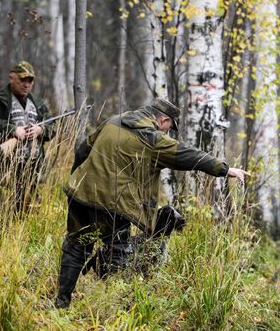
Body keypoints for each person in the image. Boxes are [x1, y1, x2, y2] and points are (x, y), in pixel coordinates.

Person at [55, 98, 249, 308]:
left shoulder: (113, 121)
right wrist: (224, 169)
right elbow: (188, 155)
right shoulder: (152, 139)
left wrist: (77, 180)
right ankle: (111, 311)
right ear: (163, 119)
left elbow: (83, 151)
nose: (167, 133)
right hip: (114, 205)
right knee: (118, 254)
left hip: (80, 194)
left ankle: (62, 303)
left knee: (75, 246)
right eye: (169, 128)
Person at [0, 61, 55, 214]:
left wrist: (40, 130)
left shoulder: (39, 104)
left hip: (32, 168)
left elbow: (53, 128)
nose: (26, 84)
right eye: (22, 80)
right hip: (3, 169)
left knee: (29, 212)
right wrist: (13, 130)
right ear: (11, 78)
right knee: (0, 212)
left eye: (30, 81)